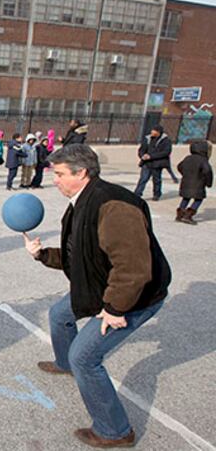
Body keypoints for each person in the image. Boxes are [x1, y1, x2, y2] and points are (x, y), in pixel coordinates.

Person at [23, 144, 170, 449]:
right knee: (59, 315)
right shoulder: (82, 200)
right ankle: (65, 364)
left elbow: (133, 269)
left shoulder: (113, 206)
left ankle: (115, 431)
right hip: (105, 285)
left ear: (82, 173)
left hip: (134, 296)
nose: (55, 180)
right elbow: (81, 254)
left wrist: (115, 308)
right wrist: (42, 255)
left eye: (61, 174)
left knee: (85, 357)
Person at [176, 140, 213, 225]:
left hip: (186, 182)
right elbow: (207, 171)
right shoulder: (203, 160)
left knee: (186, 198)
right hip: (198, 183)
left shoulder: (188, 158)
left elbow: (179, 166)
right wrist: (208, 183)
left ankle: (180, 214)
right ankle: (188, 215)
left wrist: (185, 174)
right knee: (198, 199)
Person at [133, 124, 172, 201]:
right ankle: (137, 194)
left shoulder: (166, 141)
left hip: (157, 163)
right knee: (143, 179)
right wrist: (142, 156)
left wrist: (151, 156)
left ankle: (156, 194)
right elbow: (141, 149)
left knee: (156, 180)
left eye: (154, 131)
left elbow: (166, 152)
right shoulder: (147, 139)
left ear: (158, 132)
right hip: (146, 163)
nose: (152, 132)